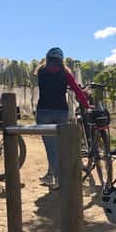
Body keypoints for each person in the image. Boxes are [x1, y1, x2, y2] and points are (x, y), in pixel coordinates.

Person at [35, 47, 90, 189]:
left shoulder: (41, 72)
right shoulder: (65, 74)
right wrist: (86, 104)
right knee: (60, 147)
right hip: (61, 112)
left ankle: (58, 178)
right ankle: (50, 175)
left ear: (47, 59)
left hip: (44, 112)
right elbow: (77, 90)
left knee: (51, 148)